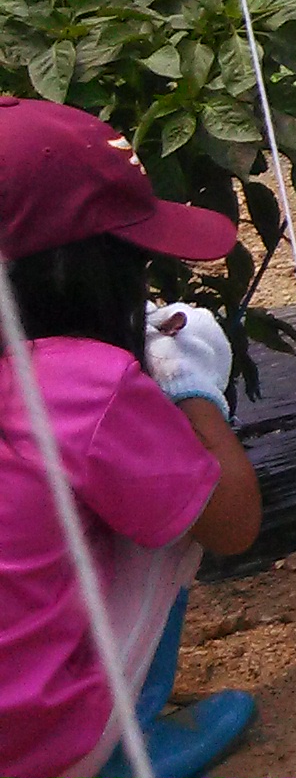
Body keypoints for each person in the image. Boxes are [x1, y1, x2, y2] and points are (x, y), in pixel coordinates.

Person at [0, 97, 261, 778]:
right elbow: (233, 522)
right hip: (30, 754)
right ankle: (121, 743)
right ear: (78, 273)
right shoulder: (84, 384)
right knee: (179, 503)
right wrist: (186, 385)